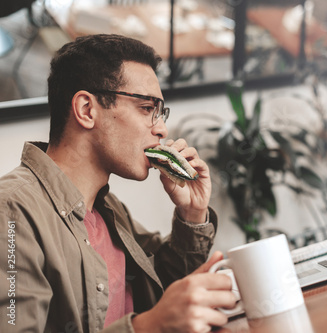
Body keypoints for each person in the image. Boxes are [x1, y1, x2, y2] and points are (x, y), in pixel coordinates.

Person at [0, 34, 236, 333]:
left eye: (159, 113)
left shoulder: (106, 207)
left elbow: (165, 289)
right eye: (146, 108)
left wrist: (192, 213)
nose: (161, 129)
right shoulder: (11, 212)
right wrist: (146, 326)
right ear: (87, 110)